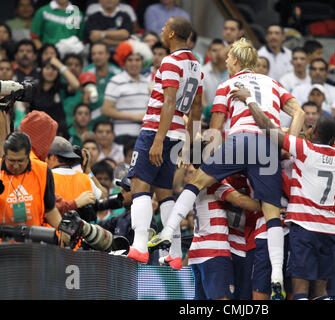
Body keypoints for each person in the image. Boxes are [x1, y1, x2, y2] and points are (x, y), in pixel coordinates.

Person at [148, 37, 304, 299]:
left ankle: (167, 232)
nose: (227, 62)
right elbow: (299, 112)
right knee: (271, 210)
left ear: (235, 60)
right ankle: (277, 274)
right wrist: (287, 144)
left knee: (196, 181)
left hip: (240, 139)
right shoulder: (273, 83)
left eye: (229, 58)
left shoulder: (228, 85)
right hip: (269, 146)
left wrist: (201, 157)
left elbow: (215, 131)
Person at [230, 88, 335, 300]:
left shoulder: (304, 150)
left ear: (313, 133)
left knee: (299, 291)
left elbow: (268, 128)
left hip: (303, 228)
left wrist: (250, 99)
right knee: (322, 292)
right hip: (329, 229)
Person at [126, 16, 203, 266]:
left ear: (171, 34)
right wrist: (190, 145)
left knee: (139, 185)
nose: (161, 29)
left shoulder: (171, 61)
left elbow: (169, 102)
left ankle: (139, 246)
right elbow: (197, 108)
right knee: (164, 191)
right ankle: (175, 253)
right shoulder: (196, 65)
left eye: (164, 26)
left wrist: (158, 140)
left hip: (156, 131)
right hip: (179, 133)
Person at [0, 131, 68, 245]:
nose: (16, 166)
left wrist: (62, 229)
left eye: (20, 161)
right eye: (11, 160)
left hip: (34, 243)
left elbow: (50, 209)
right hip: (3, 245)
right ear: (5, 156)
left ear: (28, 156)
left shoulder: (43, 171)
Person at [102, 39, 152, 144]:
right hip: (122, 136)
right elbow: (106, 110)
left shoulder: (147, 82)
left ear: (143, 62)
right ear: (123, 62)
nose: (134, 63)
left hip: (144, 137)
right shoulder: (116, 81)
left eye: (137, 60)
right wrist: (135, 117)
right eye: (130, 60)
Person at [82, 42, 122, 125]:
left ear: (108, 55)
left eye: (100, 53)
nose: (96, 56)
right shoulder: (86, 72)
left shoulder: (118, 72)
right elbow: (84, 99)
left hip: (114, 116)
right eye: (93, 54)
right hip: (92, 118)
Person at [202, 39, 228, 117]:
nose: (217, 54)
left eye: (220, 50)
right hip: (206, 116)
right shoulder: (202, 72)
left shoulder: (232, 71)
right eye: (214, 51)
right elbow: (202, 103)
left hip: (227, 118)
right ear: (208, 53)